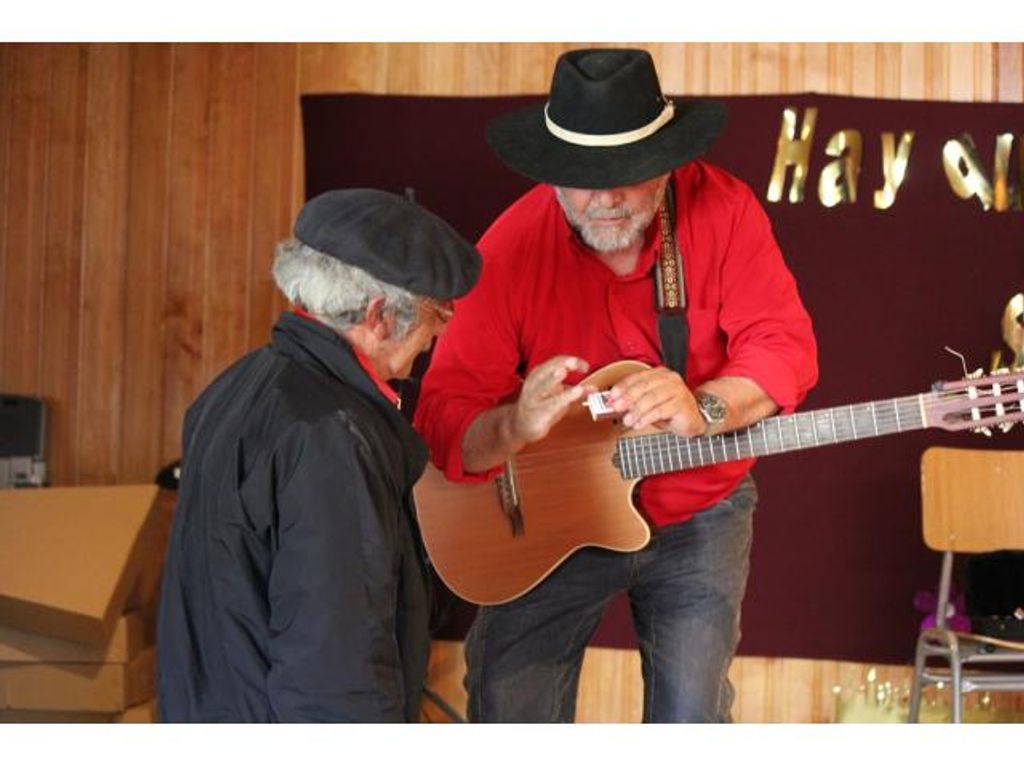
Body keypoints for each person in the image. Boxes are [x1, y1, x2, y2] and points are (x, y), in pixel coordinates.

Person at [414, 48, 818, 723]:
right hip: (546, 519)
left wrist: (706, 407)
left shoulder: (725, 210)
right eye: (580, 177)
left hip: (700, 508)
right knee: (511, 712)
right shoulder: (511, 248)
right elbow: (442, 418)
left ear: (666, 162)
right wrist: (515, 424)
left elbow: (783, 347)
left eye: (626, 175)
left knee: (692, 719)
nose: (604, 198)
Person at [157, 189, 481, 722]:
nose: (439, 332)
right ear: (379, 315)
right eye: (435, 312)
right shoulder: (333, 435)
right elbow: (336, 665)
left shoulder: (234, 387)